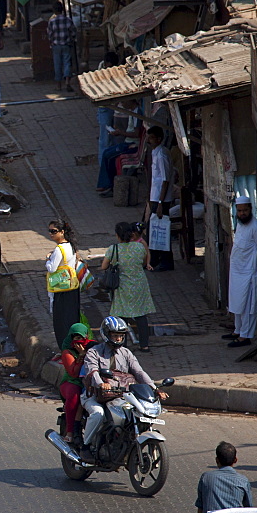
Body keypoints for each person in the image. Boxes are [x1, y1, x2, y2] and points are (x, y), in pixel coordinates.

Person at [80, 316, 167, 461]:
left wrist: (155, 388)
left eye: (121, 336)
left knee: (135, 414)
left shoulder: (126, 353)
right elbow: (92, 371)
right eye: (115, 335)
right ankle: (86, 446)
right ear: (106, 334)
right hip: (95, 396)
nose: (118, 339)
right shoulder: (94, 352)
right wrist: (101, 383)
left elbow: (139, 372)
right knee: (98, 414)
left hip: (120, 396)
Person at [101, 222, 156, 352]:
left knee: (122, 315)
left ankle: (122, 346)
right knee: (141, 315)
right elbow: (143, 262)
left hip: (122, 286)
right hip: (139, 284)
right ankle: (144, 345)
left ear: (117, 235)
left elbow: (104, 266)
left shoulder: (113, 249)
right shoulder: (139, 247)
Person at [224, 196, 257, 348]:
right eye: (240, 210)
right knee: (236, 303)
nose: (242, 213)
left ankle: (246, 336)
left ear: (250, 209)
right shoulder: (240, 224)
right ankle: (238, 330)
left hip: (249, 272)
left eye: (245, 210)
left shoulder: (256, 227)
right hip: (237, 270)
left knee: (248, 305)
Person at [194, 441, 253, 513]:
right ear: (235, 460)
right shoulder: (243, 480)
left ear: (217, 460)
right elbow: (249, 509)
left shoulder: (206, 477)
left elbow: (201, 505)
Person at [145, 125, 175, 271]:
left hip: (161, 200)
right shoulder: (155, 153)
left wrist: (161, 203)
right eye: (148, 137)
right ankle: (154, 260)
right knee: (153, 231)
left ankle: (166, 261)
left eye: (151, 138)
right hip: (155, 198)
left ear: (158, 139)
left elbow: (165, 180)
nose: (149, 140)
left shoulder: (162, 155)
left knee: (162, 231)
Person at [46, 218, 80, 349]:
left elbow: (52, 268)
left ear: (62, 232)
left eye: (54, 231)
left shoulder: (59, 249)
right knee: (71, 318)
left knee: (60, 321)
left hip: (60, 288)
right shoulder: (70, 246)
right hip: (72, 286)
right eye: (49, 231)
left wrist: (48, 259)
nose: (51, 234)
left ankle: (64, 349)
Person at [59, 323, 93, 443]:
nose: (79, 341)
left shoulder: (93, 347)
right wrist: (82, 355)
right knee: (75, 396)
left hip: (90, 381)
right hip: (72, 382)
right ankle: (70, 431)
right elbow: (73, 373)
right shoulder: (67, 352)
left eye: (81, 338)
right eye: (76, 338)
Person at [97, 117, 143, 196]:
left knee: (110, 157)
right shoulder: (132, 113)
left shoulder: (137, 114)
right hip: (127, 143)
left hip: (132, 145)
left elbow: (136, 134)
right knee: (106, 152)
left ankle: (110, 185)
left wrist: (121, 133)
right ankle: (105, 183)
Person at [96, 52, 121, 165]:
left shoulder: (116, 69)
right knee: (104, 140)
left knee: (115, 136)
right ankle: (103, 165)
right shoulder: (101, 71)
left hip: (114, 107)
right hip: (104, 108)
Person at [47, 2, 77, 93]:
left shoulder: (52, 21)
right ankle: (67, 82)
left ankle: (58, 85)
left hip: (56, 46)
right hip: (66, 45)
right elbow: (73, 32)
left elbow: (49, 35)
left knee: (57, 64)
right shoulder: (68, 20)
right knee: (67, 63)